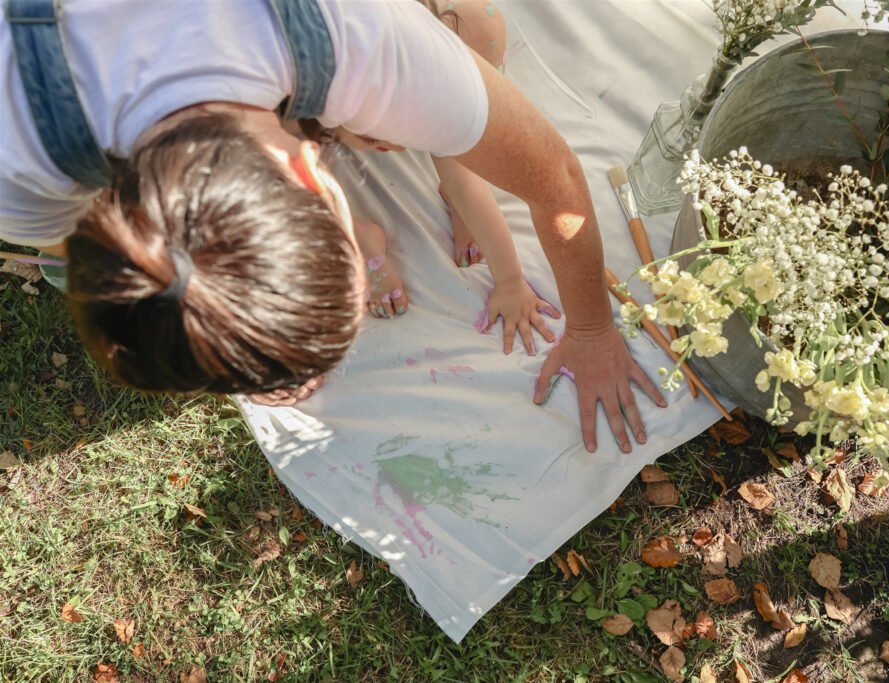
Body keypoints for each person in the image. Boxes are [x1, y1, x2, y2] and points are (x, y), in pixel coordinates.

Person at [0, 0, 665, 453]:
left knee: (479, 28)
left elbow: (555, 179)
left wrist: (590, 327)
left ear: (318, 172)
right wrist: (247, 328)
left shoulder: (360, 34)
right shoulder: (17, 165)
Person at [333, 0, 562, 357]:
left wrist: (511, 282)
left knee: (480, 34)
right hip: (321, 67)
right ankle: (362, 235)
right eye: (373, 139)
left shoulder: (453, 48)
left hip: (458, 27)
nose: (392, 147)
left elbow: (467, 183)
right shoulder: (292, 81)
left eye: (404, 133)